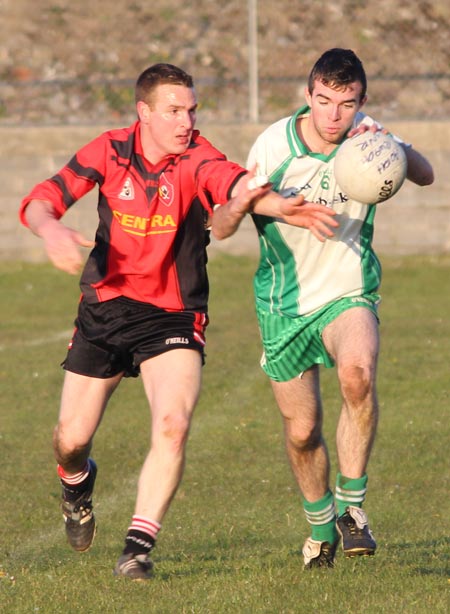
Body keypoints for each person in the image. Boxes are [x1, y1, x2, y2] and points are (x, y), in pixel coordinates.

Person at [19, 63, 338, 580]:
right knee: (70, 438)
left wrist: (279, 206)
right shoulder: (110, 149)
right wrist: (49, 229)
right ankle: (76, 481)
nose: (186, 120)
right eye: (174, 110)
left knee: (173, 424)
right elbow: (41, 200)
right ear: (143, 113)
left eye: (191, 109)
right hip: (105, 307)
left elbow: (233, 184)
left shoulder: (197, 157)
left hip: (174, 311)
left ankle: (137, 549)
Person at [212, 48, 434, 569]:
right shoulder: (272, 145)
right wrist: (250, 202)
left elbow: (424, 174)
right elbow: (219, 226)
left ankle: (352, 510)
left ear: (362, 101)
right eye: (325, 101)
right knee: (302, 431)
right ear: (308, 95)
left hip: (348, 289)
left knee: (357, 376)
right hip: (283, 303)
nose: (334, 115)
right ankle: (320, 529)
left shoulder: (368, 134)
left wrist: (390, 145)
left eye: (347, 103)